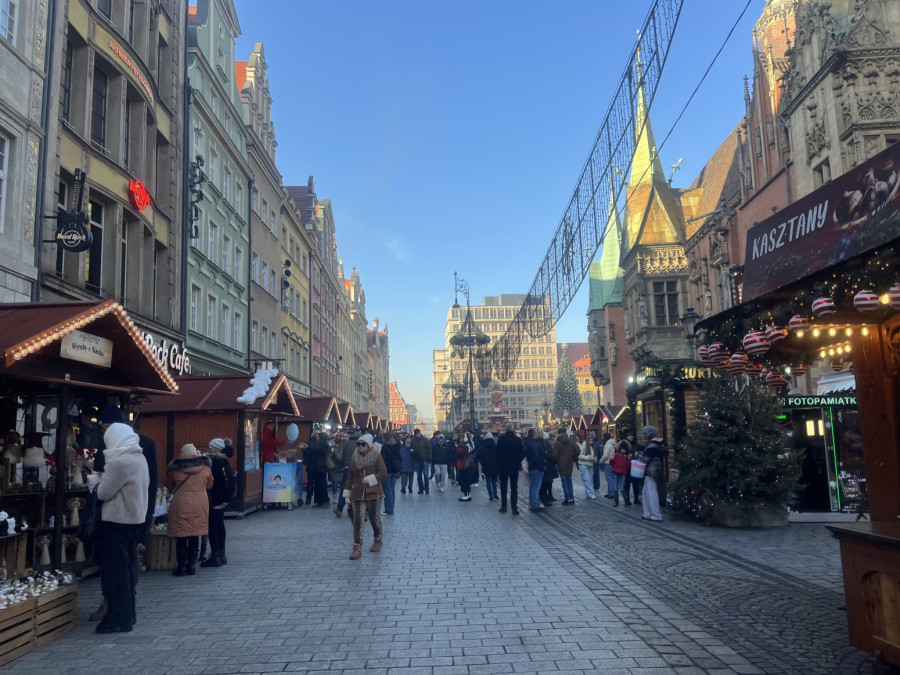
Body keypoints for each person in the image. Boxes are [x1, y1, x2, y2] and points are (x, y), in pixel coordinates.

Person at [89, 404, 158, 624]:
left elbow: (104, 492)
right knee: (127, 566)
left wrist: (94, 482)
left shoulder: (120, 459)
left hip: (118, 519)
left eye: (107, 429)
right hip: (135, 517)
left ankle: (118, 612)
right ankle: (125, 611)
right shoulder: (138, 455)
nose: (104, 434)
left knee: (117, 567)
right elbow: (149, 484)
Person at [166, 444, 214, 576]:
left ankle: (181, 567)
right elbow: (210, 484)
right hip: (200, 502)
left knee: (181, 536)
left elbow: (169, 485)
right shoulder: (205, 468)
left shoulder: (175, 469)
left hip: (181, 502)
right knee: (195, 534)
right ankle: (191, 566)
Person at [343, 434, 387, 559]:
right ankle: (357, 547)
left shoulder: (376, 456)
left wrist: (371, 479)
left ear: (369, 445)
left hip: (373, 493)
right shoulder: (354, 458)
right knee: (358, 521)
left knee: (374, 518)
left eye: (363, 444)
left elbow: (383, 473)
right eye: (359, 444)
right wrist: (347, 492)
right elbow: (350, 476)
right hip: (357, 493)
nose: (360, 446)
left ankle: (378, 540)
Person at [201, 438, 235, 567]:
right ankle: (221, 554)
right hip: (223, 498)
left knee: (214, 526)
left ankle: (216, 556)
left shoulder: (216, 462)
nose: (208, 450)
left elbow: (214, 482)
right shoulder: (224, 460)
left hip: (215, 498)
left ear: (214, 449)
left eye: (210, 448)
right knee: (220, 525)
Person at [496, 423, 524, 515]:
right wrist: (517, 461)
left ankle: (504, 506)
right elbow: (522, 453)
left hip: (503, 467)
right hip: (513, 467)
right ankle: (514, 508)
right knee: (514, 488)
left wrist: (499, 463)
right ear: (513, 430)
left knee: (503, 488)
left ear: (506, 430)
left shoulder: (501, 440)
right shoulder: (517, 440)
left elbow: (497, 453)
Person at [640, 426, 666, 522]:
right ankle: (647, 513)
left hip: (651, 471)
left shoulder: (651, 446)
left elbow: (646, 460)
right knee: (646, 492)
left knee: (651, 493)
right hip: (655, 471)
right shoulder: (657, 444)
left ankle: (656, 514)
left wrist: (638, 456)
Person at [334, 429, 361, 518]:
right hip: (359, 470)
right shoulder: (363, 443)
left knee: (345, 489)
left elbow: (343, 457)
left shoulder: (347, 443)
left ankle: (339, 509)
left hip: (348, 469)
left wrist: (344, 465)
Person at [304, 432, 330, 507]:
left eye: (319, 436)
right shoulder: (325, 444)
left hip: (319, 467)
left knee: (320, 485)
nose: (317, 437)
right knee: (322, 485)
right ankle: (323, 501)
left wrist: (305, 448)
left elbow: (313, 452)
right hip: (321, 467)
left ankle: (322, 502)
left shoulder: (321, 445)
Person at [552, 431, 579, 505]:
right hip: (569, 463)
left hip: (561, 464)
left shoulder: (557, 443)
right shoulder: (571, 442)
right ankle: (571, 498)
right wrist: (572, 456)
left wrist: (557, 460)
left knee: (564, 482)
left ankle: (567, 498)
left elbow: (555, 455)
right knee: (569, 480)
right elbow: (578, 450)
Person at [380, 431, 401, 515]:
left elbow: (383, 460)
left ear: (385, 438)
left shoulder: (385, 447)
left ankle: (389, 509)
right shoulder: (397, 445)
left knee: (387, 491)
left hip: (387, 470)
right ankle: (391, 508)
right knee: (392, 490)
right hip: (395, 470)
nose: (382, 439)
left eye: (383, 437)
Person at [524, 429, 545, 511]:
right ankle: (535, 504)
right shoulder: (534, 444)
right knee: (535, 487)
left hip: (532, 466)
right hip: (536, 468)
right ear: (534, 434)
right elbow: (537, 457)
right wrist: (541, 467)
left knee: (533, 487)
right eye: (537, 433)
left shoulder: (529, 443)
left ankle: (533, 503)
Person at [620, 432, 642, 506]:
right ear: (626, 437)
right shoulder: (624, 444)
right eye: (629, 435)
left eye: (632, 435)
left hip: (635, 466)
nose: (631, 436)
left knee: (636, 483)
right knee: (627, 484)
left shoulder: (636, 445)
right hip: (627, 467)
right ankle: (627, 500)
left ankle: (636, 499)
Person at [477, 432, 499, 500]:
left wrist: (482, 461)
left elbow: (478, 455)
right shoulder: (495, 447)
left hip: (486, 466)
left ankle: (490, 495)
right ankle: (495, 494)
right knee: (494, 480)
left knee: (488, 480)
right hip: (494, 466)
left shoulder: (483, 447)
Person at [538, 432, 558, 505]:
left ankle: (549, 495)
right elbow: (547, 454)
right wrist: (552, 456)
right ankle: (545, 497)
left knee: (549, 482)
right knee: (546, 482)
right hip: (548, 466)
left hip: (550, 466)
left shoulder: (548, 444)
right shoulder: (545, 445)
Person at [410, 428, 431, 494]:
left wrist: (429, 458)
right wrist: (413, 452)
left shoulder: (425, 440)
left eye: (419, 433)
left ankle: (427, 489)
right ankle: (421, 489)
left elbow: (429, 449)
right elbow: (411, 449)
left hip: (424, 459)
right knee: (419, 476)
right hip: (417, 460)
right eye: (417, 433)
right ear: (415, 434)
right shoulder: (413, 441)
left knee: (426, 475)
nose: (418, 434)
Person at [455, 433, 475, 501]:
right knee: (466, 480)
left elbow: (461, 452)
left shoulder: (466, 446)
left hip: (464, 465)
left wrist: (457, 447)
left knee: (464, 480)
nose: (461, 439)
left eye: (462, 438)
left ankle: (465, 494)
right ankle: (468, 494)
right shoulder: (469, 445)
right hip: (467, 465)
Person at [577, 432, 597, 500]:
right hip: (584, 464)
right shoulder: (584, 446)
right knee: (587, 479)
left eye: (592, 440)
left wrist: (594, 459)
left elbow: (595, 456)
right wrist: (588, 458)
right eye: (590, 440)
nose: (591, 442)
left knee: (590, 480)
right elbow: (580, 455)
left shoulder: (592, 447)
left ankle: (588, 492)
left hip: (590, 465)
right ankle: (591, 494)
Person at [610, 442, 631, 506]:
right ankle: (616, 501)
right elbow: (612, 463)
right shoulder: (616, 454)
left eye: (624, 449)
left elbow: (628, 466)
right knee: (615, 487)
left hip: (623, 473)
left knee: (622, 488)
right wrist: (611, 460)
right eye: (622, 449)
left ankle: (626, 500)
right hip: (616, 472)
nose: (622, 450)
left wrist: (628, 460)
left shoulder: (627, 457)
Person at [599, 433, 616, 498]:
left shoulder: (607, 445)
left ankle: (611, 493)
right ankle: (610, 492)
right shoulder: (612, 444)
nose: (602, 437)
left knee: (609, 478)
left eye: (602, 436)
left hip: (608, 462)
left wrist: (600, 461)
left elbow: (605, 455)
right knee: (612, 477)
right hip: (612, 462)